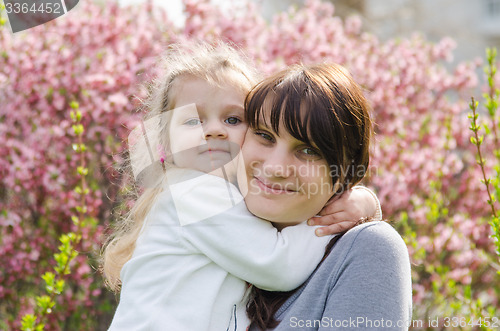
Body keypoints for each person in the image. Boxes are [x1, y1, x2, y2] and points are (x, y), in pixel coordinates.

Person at [102, 42, 383, 331]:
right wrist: (342, 214)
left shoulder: (228, 197)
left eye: (233, 119)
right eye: (192, 120)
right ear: (167, 142)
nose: (213, 130)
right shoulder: (194, 192)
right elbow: (278, 265)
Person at [239, 63, 413, 330]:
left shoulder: (365, 250)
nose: (275, 167)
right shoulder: (206, 224)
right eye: (264, 136)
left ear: (344, 173)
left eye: (308, 150)